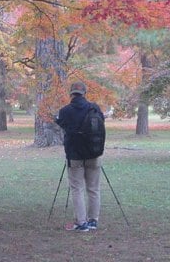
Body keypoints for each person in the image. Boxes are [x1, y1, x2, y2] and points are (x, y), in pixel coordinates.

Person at [55, 81, 104, 232]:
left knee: (77, 189)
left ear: (71, 94)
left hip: (74, 155)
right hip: (93, 154)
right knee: (94, 189)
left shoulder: (65, 111)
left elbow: (61, 124)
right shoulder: (94, 108)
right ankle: (93, 221)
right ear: (85, 93)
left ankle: (81, 223)